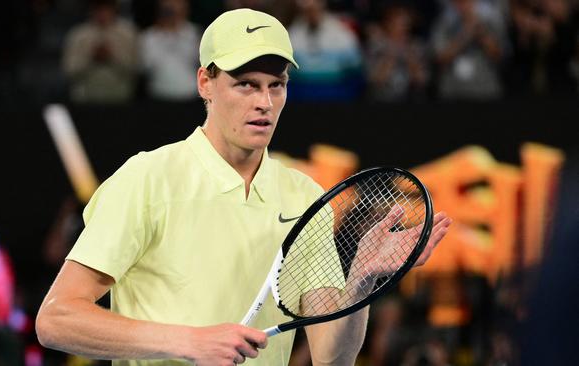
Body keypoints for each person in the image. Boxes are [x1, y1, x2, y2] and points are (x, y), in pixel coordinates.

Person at [36, 8, 452, 366]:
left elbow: (331, 357)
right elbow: (56, 319)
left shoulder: (304, 196)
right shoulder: (146, 179)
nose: (265, 102)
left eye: (277, 84)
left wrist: (360, 282)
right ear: (205, 83)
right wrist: (189, 343)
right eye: (246, 84)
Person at [62, 0, 138, 104]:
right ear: (91, 10)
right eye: (98, 9)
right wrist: (91, 58)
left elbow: (135, 70)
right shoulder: (78, 35)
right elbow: (69, 71)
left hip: (120, 99)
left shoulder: (128, 33)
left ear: (114, 9)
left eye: (106, 9)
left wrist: (112, 56)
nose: (102, 13)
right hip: (85, 100)